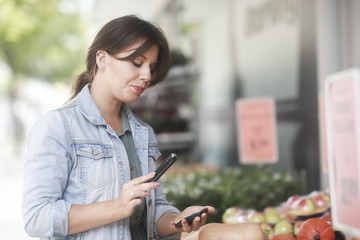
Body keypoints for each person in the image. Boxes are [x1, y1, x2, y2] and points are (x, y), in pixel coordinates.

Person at [22, 15, 215, 240]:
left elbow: (152, 215)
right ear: (102, 59)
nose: (147, 76)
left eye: (151, 67)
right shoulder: (58, 126)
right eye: (137, 63)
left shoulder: (144, 133)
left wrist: (178, 220)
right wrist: (116, 207)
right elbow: (37, 218)